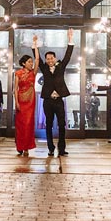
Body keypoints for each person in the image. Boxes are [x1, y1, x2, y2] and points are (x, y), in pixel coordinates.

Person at [33, 29, 74, 157]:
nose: (50, 60)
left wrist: (70, 39)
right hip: (47, 101)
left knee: (62, 125)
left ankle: (61, 149)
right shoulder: (44, 68)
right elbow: (36, 58)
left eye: (52, 58)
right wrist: (35, 44)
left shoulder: (61, 66)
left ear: (55, 58)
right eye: (48, 58)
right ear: (45, 60)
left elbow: (68, 55)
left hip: (59, 101)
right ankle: (50, 148)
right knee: (49, 125)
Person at [14, 36, 39, 156]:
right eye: (29, 61)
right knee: (21, 125)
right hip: (21, 100)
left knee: (29, 124)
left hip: (31, 101)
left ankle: (27, 148)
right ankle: (20, 146)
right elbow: (15, 89)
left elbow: (38, 59)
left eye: (31, 61)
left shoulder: (33, 73)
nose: (31, 63)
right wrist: (16, 102)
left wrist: (35, 44)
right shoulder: (18, 73)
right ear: (23, 63)